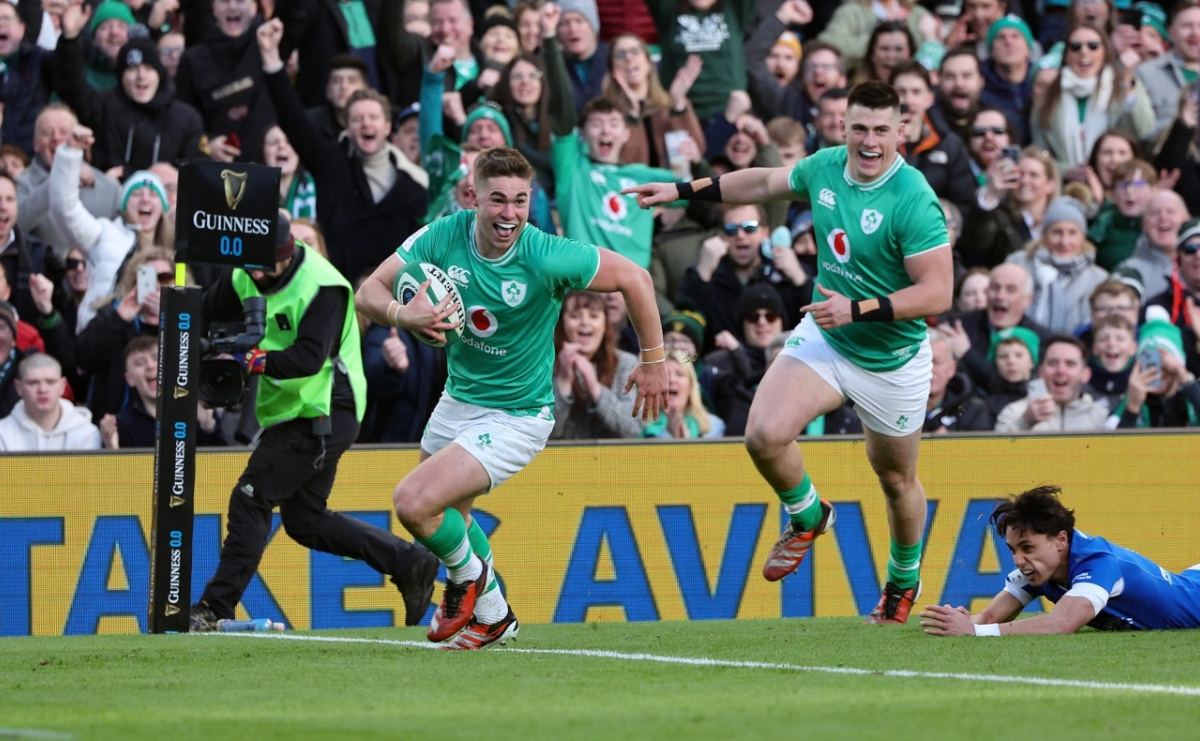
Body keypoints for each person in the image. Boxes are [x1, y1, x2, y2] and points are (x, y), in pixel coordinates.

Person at [626, 80, 953, 625]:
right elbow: (762, 181)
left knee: (895, 479)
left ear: (903, 132)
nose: (868, 142)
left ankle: (902, 578)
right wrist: (682, 191)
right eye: (858, 130)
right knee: (763, 434)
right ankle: (807, 516)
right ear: (842, 128)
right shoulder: (826, 166)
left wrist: (859, 307)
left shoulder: (914, 198)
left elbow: (937, 293)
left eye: (880, 131)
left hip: (892, 358)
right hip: (829, 334)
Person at [354, 146, 668, 649]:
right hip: (458, 400)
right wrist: (402, 315)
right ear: (473, 197)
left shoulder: (543, 253)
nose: (509, 214)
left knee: (413, 504)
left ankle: (465, 581)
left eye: (520, 201)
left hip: (519, 414)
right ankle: (495, 616)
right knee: (447, 520)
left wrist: (653, 360)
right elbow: (368, 290)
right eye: (497, 200)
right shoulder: (444, 233)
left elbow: (636, 277)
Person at [189, 212, 440, 633]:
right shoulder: (244, 275)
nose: (260, 275)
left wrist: (246, 359)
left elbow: (308, 359)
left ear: (290, 256)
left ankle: (215, 608)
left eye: (270, 266)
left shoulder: (324, 285)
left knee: (251, 497)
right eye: (253, 266)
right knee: (305, 521)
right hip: (293, 409)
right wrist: (190, 331)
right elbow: (204, 312)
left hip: (327, 410)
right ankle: (409, 562)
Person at [920, 486, 1200, 635]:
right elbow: (991, 617)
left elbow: (1062, 623)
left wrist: (976, 633)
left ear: (1061, 540)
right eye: (1013, 549)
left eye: (1027, 547)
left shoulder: (1098, 563)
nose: (1018, 560)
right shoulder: (1042, 570)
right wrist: (964, 621)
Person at [15, 105, 122, 261]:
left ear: (80, 141)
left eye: (64, 133)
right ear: (35, 143)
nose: (56, 139)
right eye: (47, 133)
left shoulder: (110, 188)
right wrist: (64, 176)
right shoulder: (20, 184)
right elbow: (14, 225)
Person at [1004, 196, 1110, 335]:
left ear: (1083, 237)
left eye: (1072, 233)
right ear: (1044, 235)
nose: (1064, 242)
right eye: (1057, 232)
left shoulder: (1099, 279)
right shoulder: (1018, 264)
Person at [98, 336, 225, 449]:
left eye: (157, 358)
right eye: (140, 363)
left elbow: (222, 469)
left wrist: (208, 427)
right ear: (129, 379)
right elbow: (122, 474)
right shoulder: (121, 426)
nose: (150, 366)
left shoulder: (196, 412)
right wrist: (111, 447)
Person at [551, 290, 642, 440]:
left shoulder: (625, 363)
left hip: (611, 461)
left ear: (605, 324)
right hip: (559, 461)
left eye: (593, 316)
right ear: (562, 325)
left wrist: (595, 389)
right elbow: (545, 433)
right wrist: (563, 382)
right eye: (575, 316)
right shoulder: (546, 365)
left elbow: (633, 429)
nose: (585, 322)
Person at [994, 335, 1110, 432]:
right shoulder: (1014, 412)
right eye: (1053, 363)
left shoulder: (1102, 417)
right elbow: (996, 456)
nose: (1060, 371)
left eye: (1070, 364)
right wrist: (1024, 423)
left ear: (1085, 374)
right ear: (1041, 372)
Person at [0, 352, 99, 451]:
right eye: (33, 383)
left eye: (50, 382)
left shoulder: (86, 432)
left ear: (62, 386)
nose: (42, 389)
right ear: (18, 387)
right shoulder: (2, 433)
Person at [642, 349, 724, 438]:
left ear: (690, 387)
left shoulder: (713, 427)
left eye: (679, 374)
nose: (672, 380)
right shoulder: (640, 427)